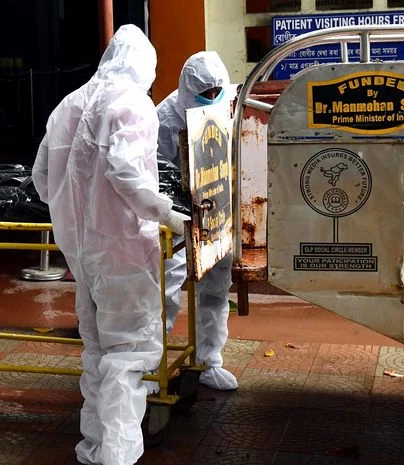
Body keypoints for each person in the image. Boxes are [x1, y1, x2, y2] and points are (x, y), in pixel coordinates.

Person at [32, 25, 189, 465]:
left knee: (97, 350)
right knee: (129, 355)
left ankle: (95, 447)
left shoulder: (68, 103)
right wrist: (167, 214)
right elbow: (125, 172)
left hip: (81, 253)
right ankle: (117, 456)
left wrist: (74, 212)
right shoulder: (133, 104)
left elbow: (41, 179)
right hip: (123, 251)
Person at [156, 51, 238, 391]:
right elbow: (157, 175)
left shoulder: (230, 102)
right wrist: (172, 216)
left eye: (217, 91)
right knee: (166, 288)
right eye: (206, 94)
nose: (213, 98)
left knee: (217, 286)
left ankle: (209, 360)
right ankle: (150, 367)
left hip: (216, 210)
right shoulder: (165, 118)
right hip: (177, 215)